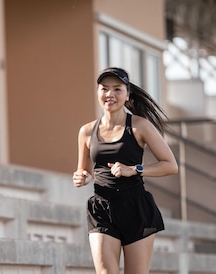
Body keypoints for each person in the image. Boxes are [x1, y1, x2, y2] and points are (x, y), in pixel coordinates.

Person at [72, 67, 178, 274]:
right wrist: (81, 177)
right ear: (98, 92)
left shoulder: (140, 126)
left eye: (117, 89)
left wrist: (135, 169)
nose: (109, 94)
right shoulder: (86, 131)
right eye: (104, 89)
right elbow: (84, 171)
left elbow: (170, 165)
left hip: (136, 209)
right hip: (101, 209)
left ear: (127, 94)